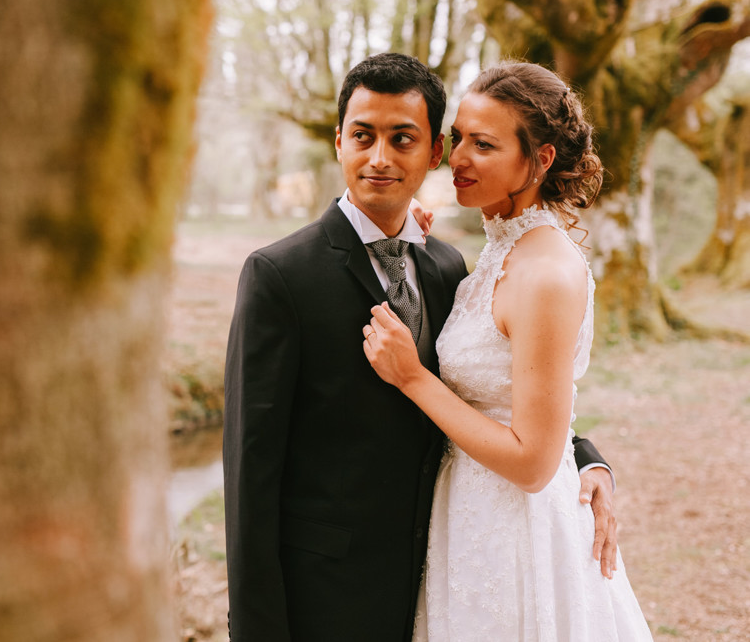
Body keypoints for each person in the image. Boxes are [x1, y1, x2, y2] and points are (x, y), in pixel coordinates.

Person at [222, 53, 617, 641]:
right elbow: (249, 473)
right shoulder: (280, 275)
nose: (379, 158)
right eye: (363, 136)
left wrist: (586, 458)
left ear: (429, 153)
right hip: (327, 592)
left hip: (448, 563)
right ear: (338, 142)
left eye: (402, 139)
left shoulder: (445, 265)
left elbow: (497, 390)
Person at [362, 61, 653, 640]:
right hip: (467, 516)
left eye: (485, 144)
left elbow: (532, 463)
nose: (458, 159)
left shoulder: (546, 271)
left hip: (518, 535)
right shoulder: (501, 250)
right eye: (460, 137)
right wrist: (412, 242)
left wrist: (413, 377)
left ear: (540, 159)